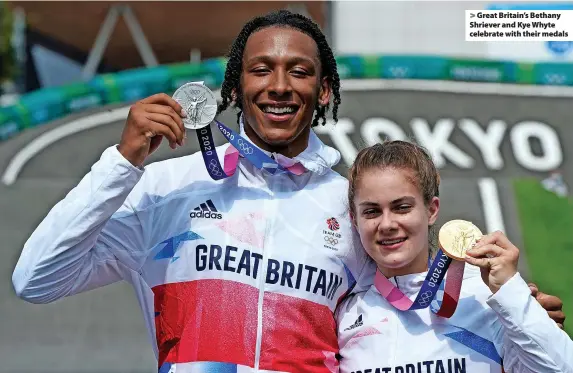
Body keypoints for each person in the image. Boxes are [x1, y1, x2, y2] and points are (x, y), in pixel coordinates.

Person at [11, 10, 566, 373]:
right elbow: (35, 280)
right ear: (237, 85)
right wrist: (121, 163)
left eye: (299, 71)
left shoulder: (349, 207)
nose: (279, 86)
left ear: (323, 90)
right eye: (261, 70)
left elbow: (405, 303)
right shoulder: (164, 187)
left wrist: (513, 314)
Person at [337, 140, 573, 373]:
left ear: (431, 210)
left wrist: (513, 295)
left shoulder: (484, 297)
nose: (387, 224)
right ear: (354, 219)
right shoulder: (344, 315)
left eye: (402, 207)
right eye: (371, 211)